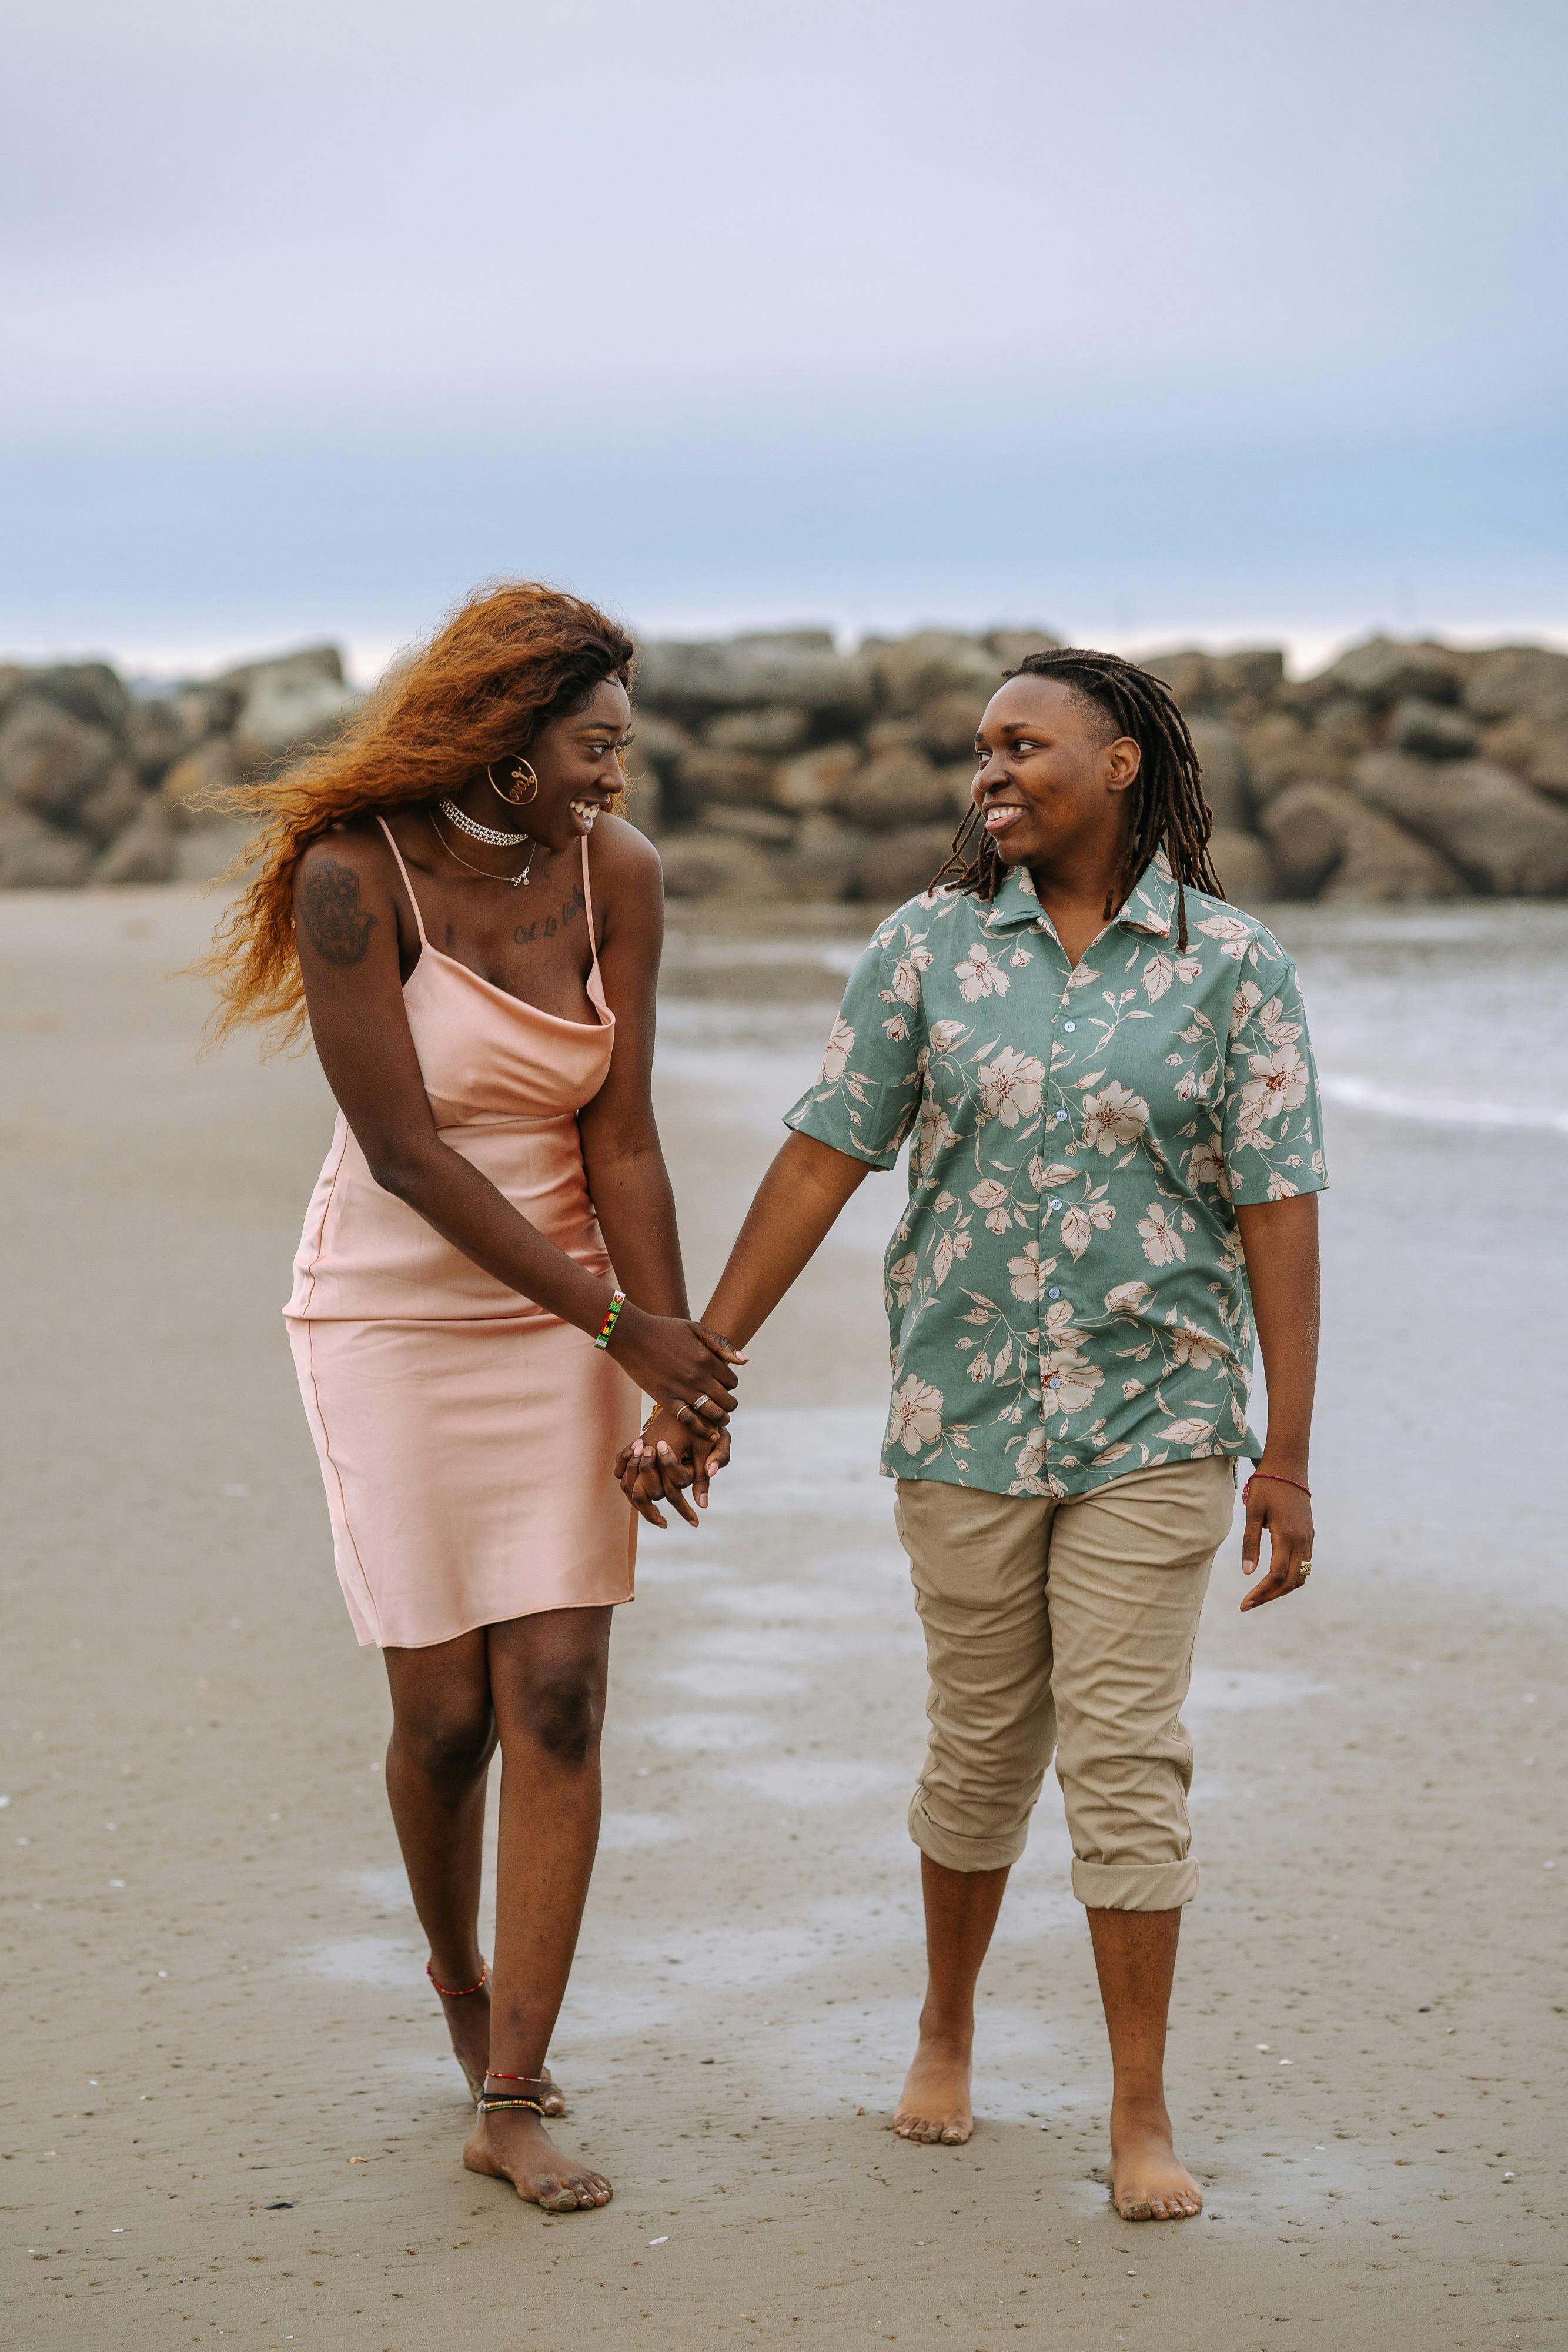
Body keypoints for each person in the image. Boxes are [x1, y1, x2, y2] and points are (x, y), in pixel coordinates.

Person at [620, 647, 1325, 2223]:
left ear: (1122, 760)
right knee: (983, 1745)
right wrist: (700, 1364)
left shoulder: (1231, 964)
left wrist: (1284, 1449)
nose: (989, 772)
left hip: (1164, 1409)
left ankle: (1137, 2110)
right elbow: (821, 1160)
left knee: (1126, 1754)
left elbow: (1277, 1207)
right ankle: (945, 2027)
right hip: (961, 1413)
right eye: (980, 751)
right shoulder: (924, 949)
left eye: (1023, 743)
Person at [200, 583, 742, 2214]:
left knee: (560, 1696)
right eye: (592, 748)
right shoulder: (350, 877)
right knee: (440, 1720)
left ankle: (513, 2092)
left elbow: (621, 1134)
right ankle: (455, 1976)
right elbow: (406, 1154)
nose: (614, 778)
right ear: (510, 749)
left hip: (567, 1322)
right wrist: (619, 1327)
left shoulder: (616, 875)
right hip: (388, 1313)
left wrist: (668, 1365)